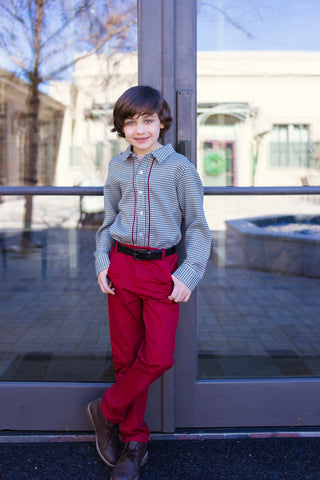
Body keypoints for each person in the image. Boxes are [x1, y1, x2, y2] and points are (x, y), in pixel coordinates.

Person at [87, 85, 212, 480]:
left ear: (162, 122)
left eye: (147, 120)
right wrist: (101, 261)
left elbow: (197, 227)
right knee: (126, 360)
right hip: (122, 269)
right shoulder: (116, 167)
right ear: (121, 127)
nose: (140, 129)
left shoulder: (180, 169)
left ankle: (105, 409)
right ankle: (134, 443)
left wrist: (189, 273)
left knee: (157, 357)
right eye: (130, 122)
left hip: (162, 272)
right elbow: (107, 222)